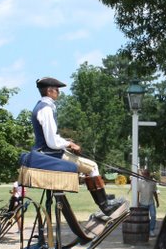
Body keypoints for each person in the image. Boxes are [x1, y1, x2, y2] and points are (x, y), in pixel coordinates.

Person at [31, 77, 124, 218]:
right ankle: (105, 205)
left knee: (90, 165)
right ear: (49, 91)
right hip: (51, 154)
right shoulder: (46, 109)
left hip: (46, 152)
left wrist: (66, 141)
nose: (58, 93)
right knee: (92, 167)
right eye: (56, 90)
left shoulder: (41, 106)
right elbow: (52, 142)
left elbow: (50, 137)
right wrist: (70, 144)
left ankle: (104, 201)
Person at [137, 167, 160, 236]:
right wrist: (137, 202)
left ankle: (151, 230)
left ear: (149, 174)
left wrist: (157, 202)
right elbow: (138, 192)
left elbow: (155, 192)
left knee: (153, 216)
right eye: (144, 174)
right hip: (142, 203)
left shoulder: (153, 182)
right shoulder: (140, 182)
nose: (146, 175)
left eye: (147, 174)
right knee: (143, 218)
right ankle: (143, 230)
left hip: (151, 202)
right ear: (143, 175)